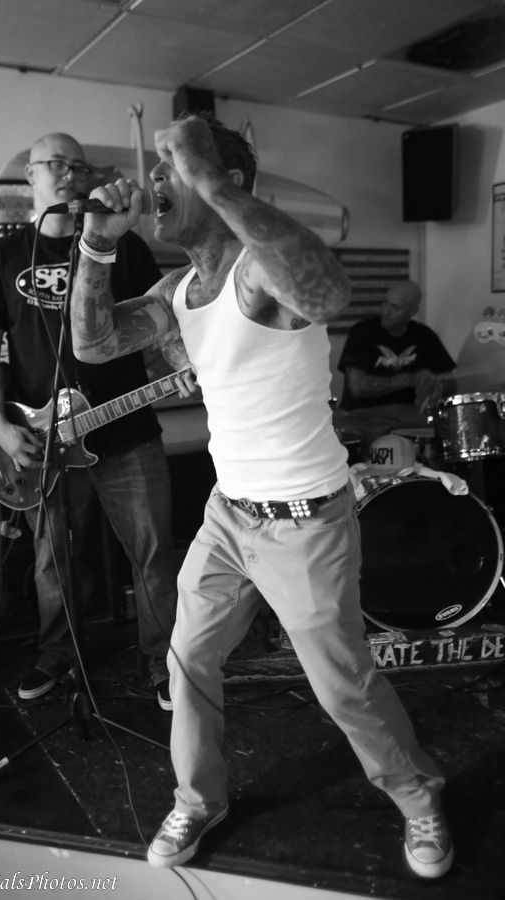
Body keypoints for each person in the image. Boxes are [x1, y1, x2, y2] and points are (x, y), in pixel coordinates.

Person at [69, 114, 453, 879]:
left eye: (173, 169)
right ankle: (199, 798)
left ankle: (419, 798)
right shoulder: (179, 291)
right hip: (229, 515)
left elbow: (329, 290)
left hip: (305, 522)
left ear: (228, 182)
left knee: (342, 688)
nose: (155, 181)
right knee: (187, 660)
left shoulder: (260, 272)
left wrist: (209, 177)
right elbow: (93, 343)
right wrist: (96, 244)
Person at [0, 132, 178, 710]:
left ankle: (164, 662)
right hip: (44, 440)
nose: (68, 174)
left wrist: (175, 366)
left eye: (79, 166)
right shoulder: (3, 258)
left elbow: (162, 322)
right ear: (30, 176)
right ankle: (58, 656)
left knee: (153, 551)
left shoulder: (124, 247)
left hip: (126, 432)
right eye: (55, 163)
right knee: (52, 560)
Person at [337, 279, 456, 410]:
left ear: (412, 311)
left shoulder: (425, 336)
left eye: (395, 308)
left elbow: (451, 384)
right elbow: (357, 387)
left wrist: (437, 386)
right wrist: (411, 379)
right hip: (364, 416)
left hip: (411, 416)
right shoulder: (362, 332)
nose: (386, 312)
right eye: (385, 303)